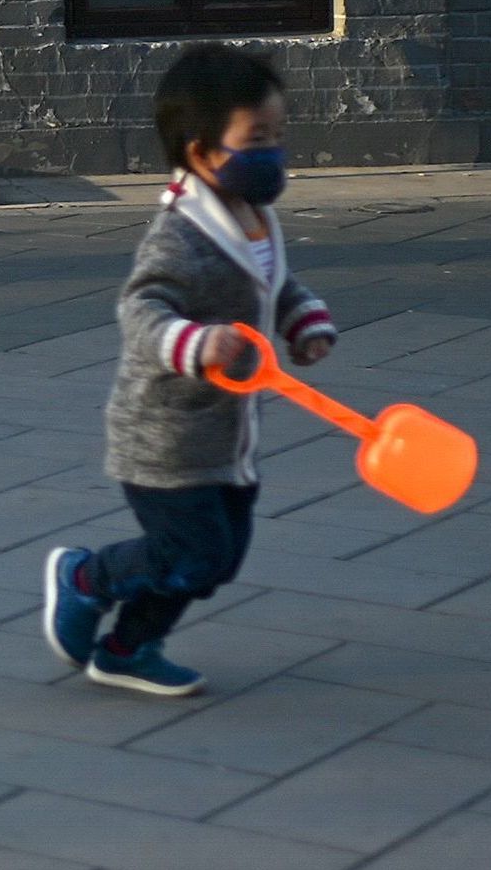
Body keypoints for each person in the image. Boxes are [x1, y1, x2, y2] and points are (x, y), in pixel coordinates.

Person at [46, 42, 339, 698]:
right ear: (203, 151)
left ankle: (127, 648)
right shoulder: (180, 234)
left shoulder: (252, 216)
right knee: (192, 553)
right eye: (256, 138)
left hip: (230, 436)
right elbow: (140, 307)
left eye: (278, 136)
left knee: (217, 560)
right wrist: (194, 343)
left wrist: (303, 318)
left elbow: (271, 283)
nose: (273, 152)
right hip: (166, 436)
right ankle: (90, 581)